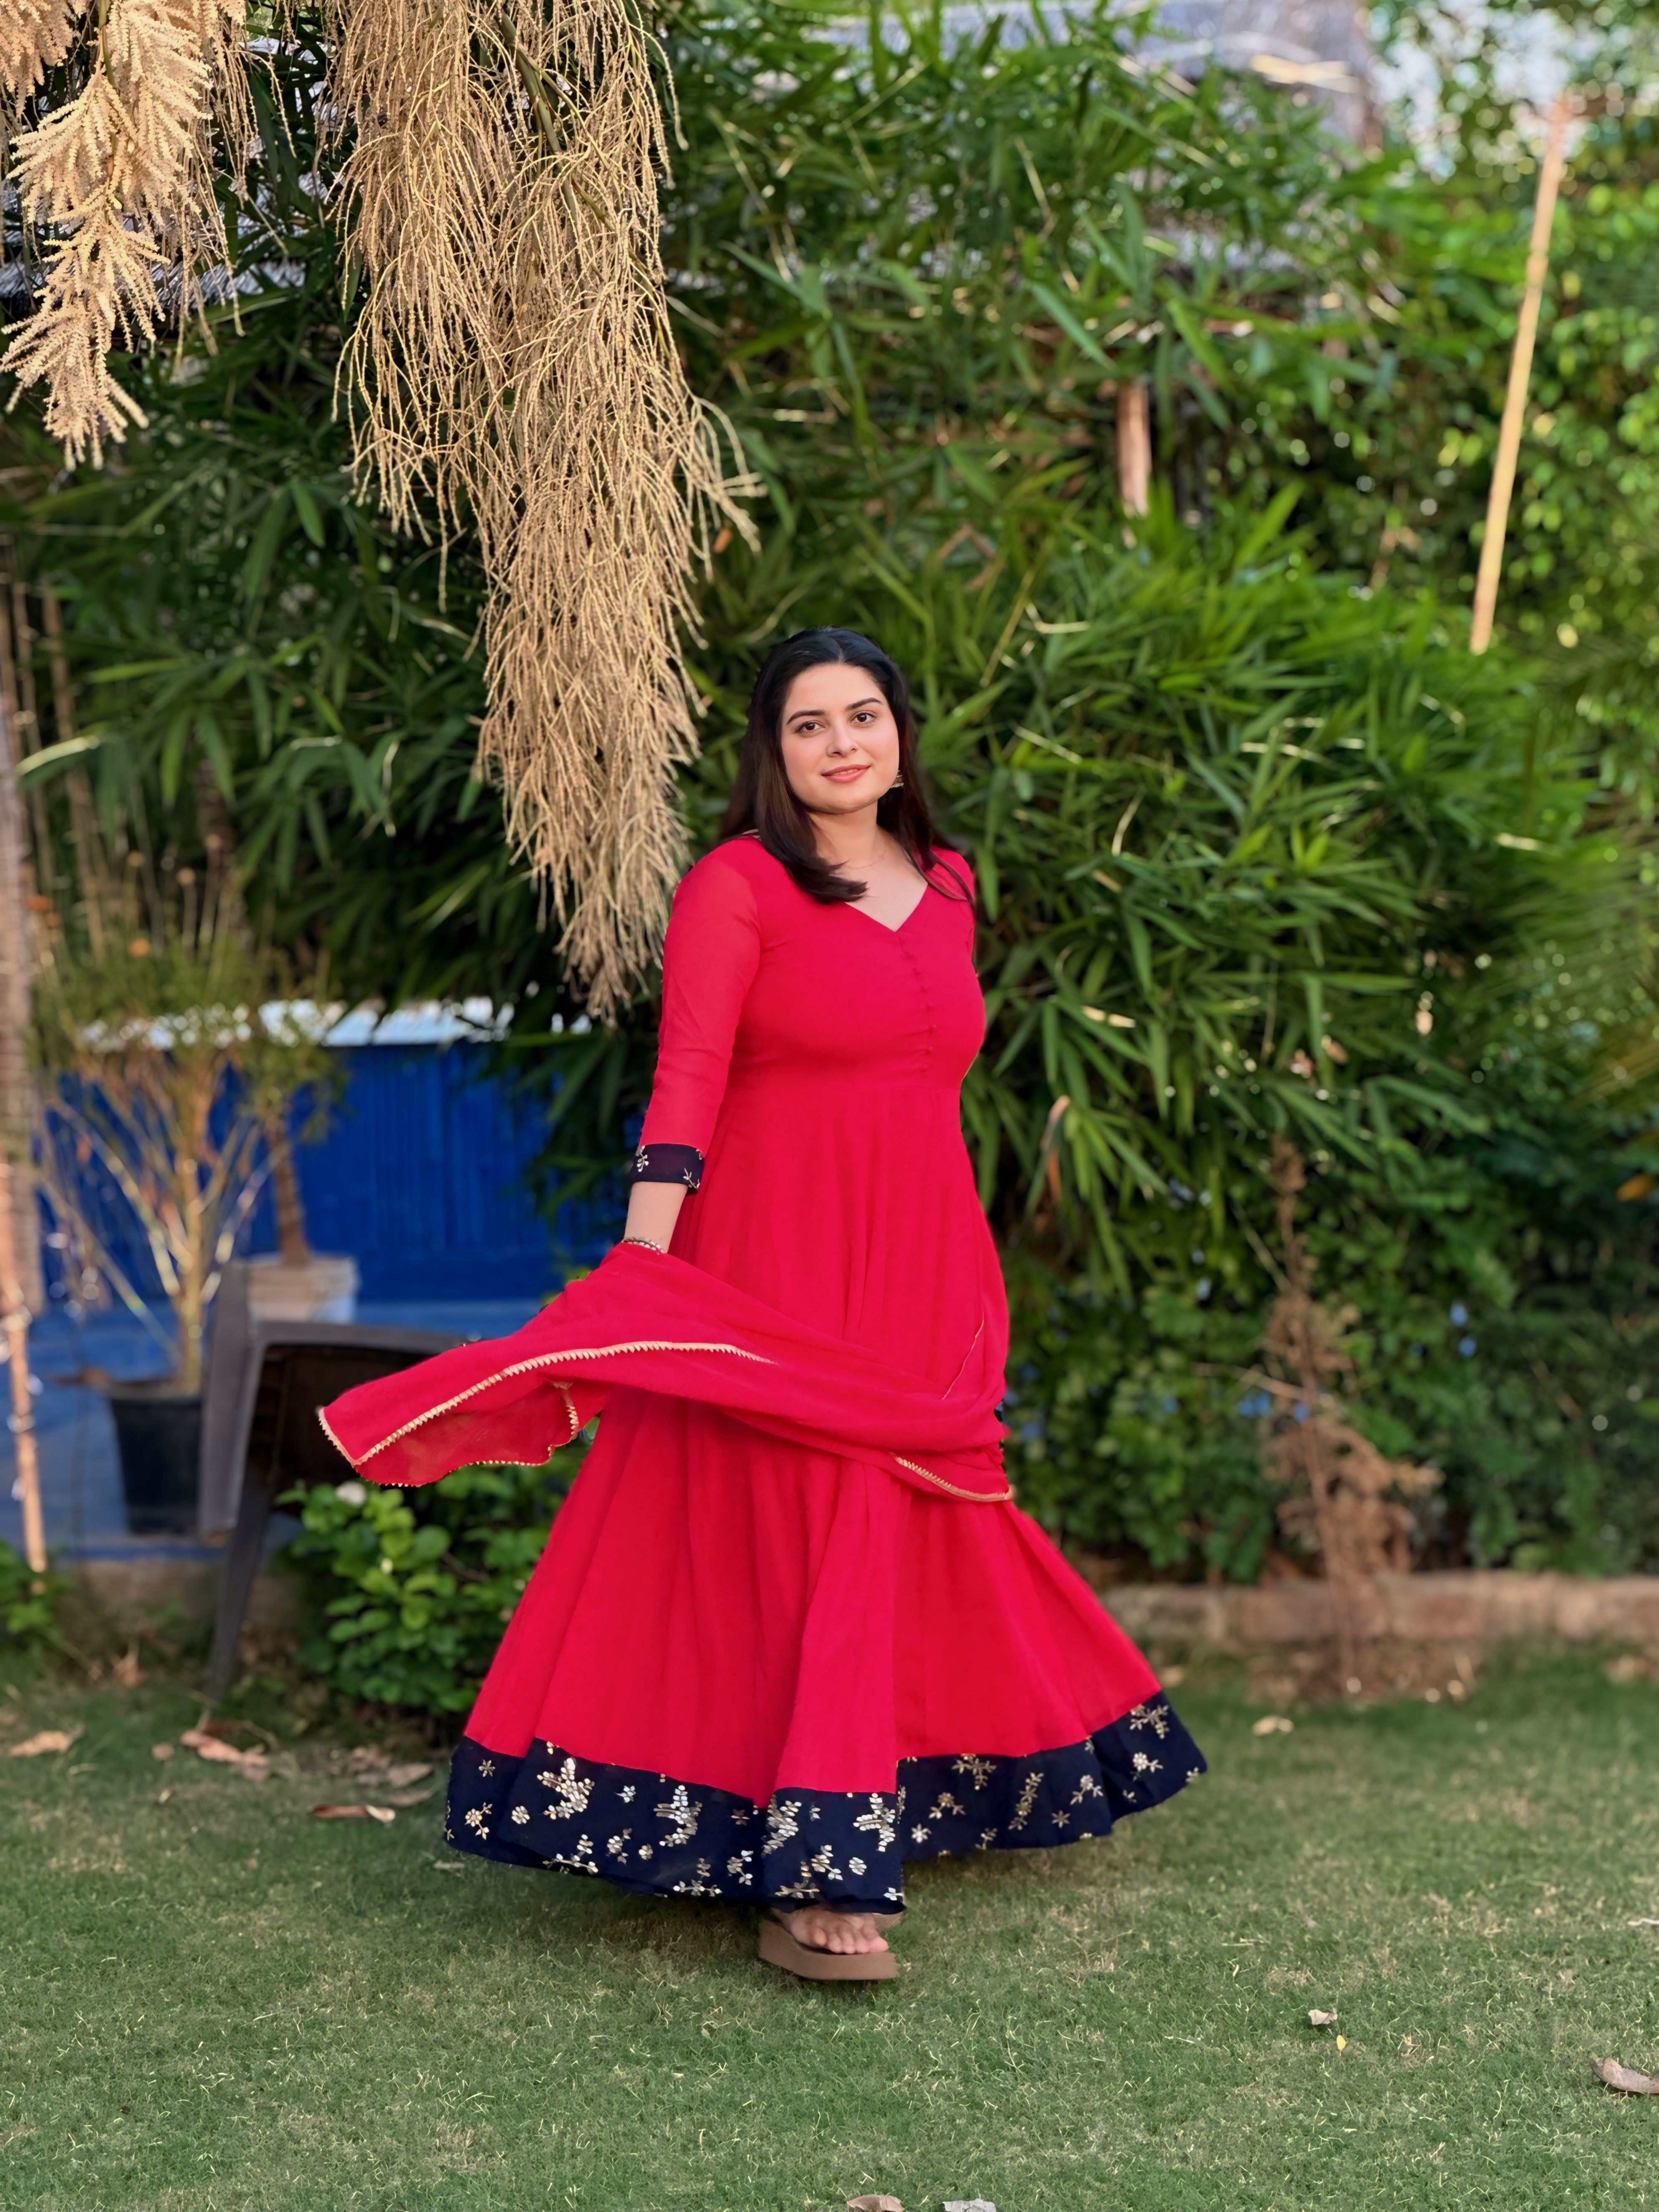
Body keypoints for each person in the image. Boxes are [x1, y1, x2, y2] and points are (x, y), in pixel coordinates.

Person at [324, 627, 1205, 1982]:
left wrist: (966, 1259)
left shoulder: (952, 883)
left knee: (911, 1517)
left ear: (900, 732)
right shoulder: (736, 886)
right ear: (771, 750)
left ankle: (871, 1796)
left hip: (921, 1253)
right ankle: (815, 1872)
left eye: (864, 715)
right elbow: (687, 1081)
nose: (843, 742)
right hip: (773, 1251)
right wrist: (646, 1269)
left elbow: (938, 1086)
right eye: (810, 724)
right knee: (815, 1521)